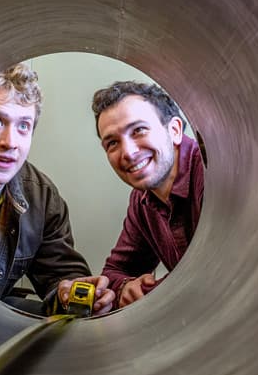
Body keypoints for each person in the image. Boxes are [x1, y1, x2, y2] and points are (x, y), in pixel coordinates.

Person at [0, 63, 116, 315]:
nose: (10, 142)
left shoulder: (41, 197)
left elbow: (60, 274)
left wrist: (70, 292)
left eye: (23, 126)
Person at [71, 80, 205, 310]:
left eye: (139, 130)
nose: (129, 153)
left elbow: (221, 272)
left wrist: (149, 292)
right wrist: (125, 288)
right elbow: (114, 272)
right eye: (112, 143)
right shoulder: (142, 200)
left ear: (174, 130)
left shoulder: (212, 173)